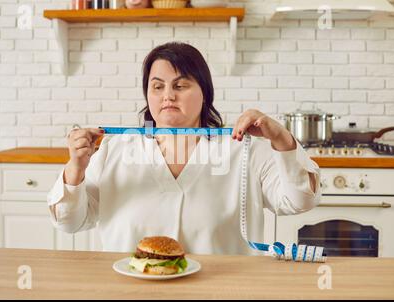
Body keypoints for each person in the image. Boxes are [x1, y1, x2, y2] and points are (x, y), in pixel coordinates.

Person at [47, 42, 321, 255]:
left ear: (204, 93)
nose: (168, 95)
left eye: (180, 85)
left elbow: (300, 201)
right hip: (132, 296)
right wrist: (76, 169)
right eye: (157, 87)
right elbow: (70, 223)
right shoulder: (112, 150)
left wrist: (281, 139)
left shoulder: (246, 150)